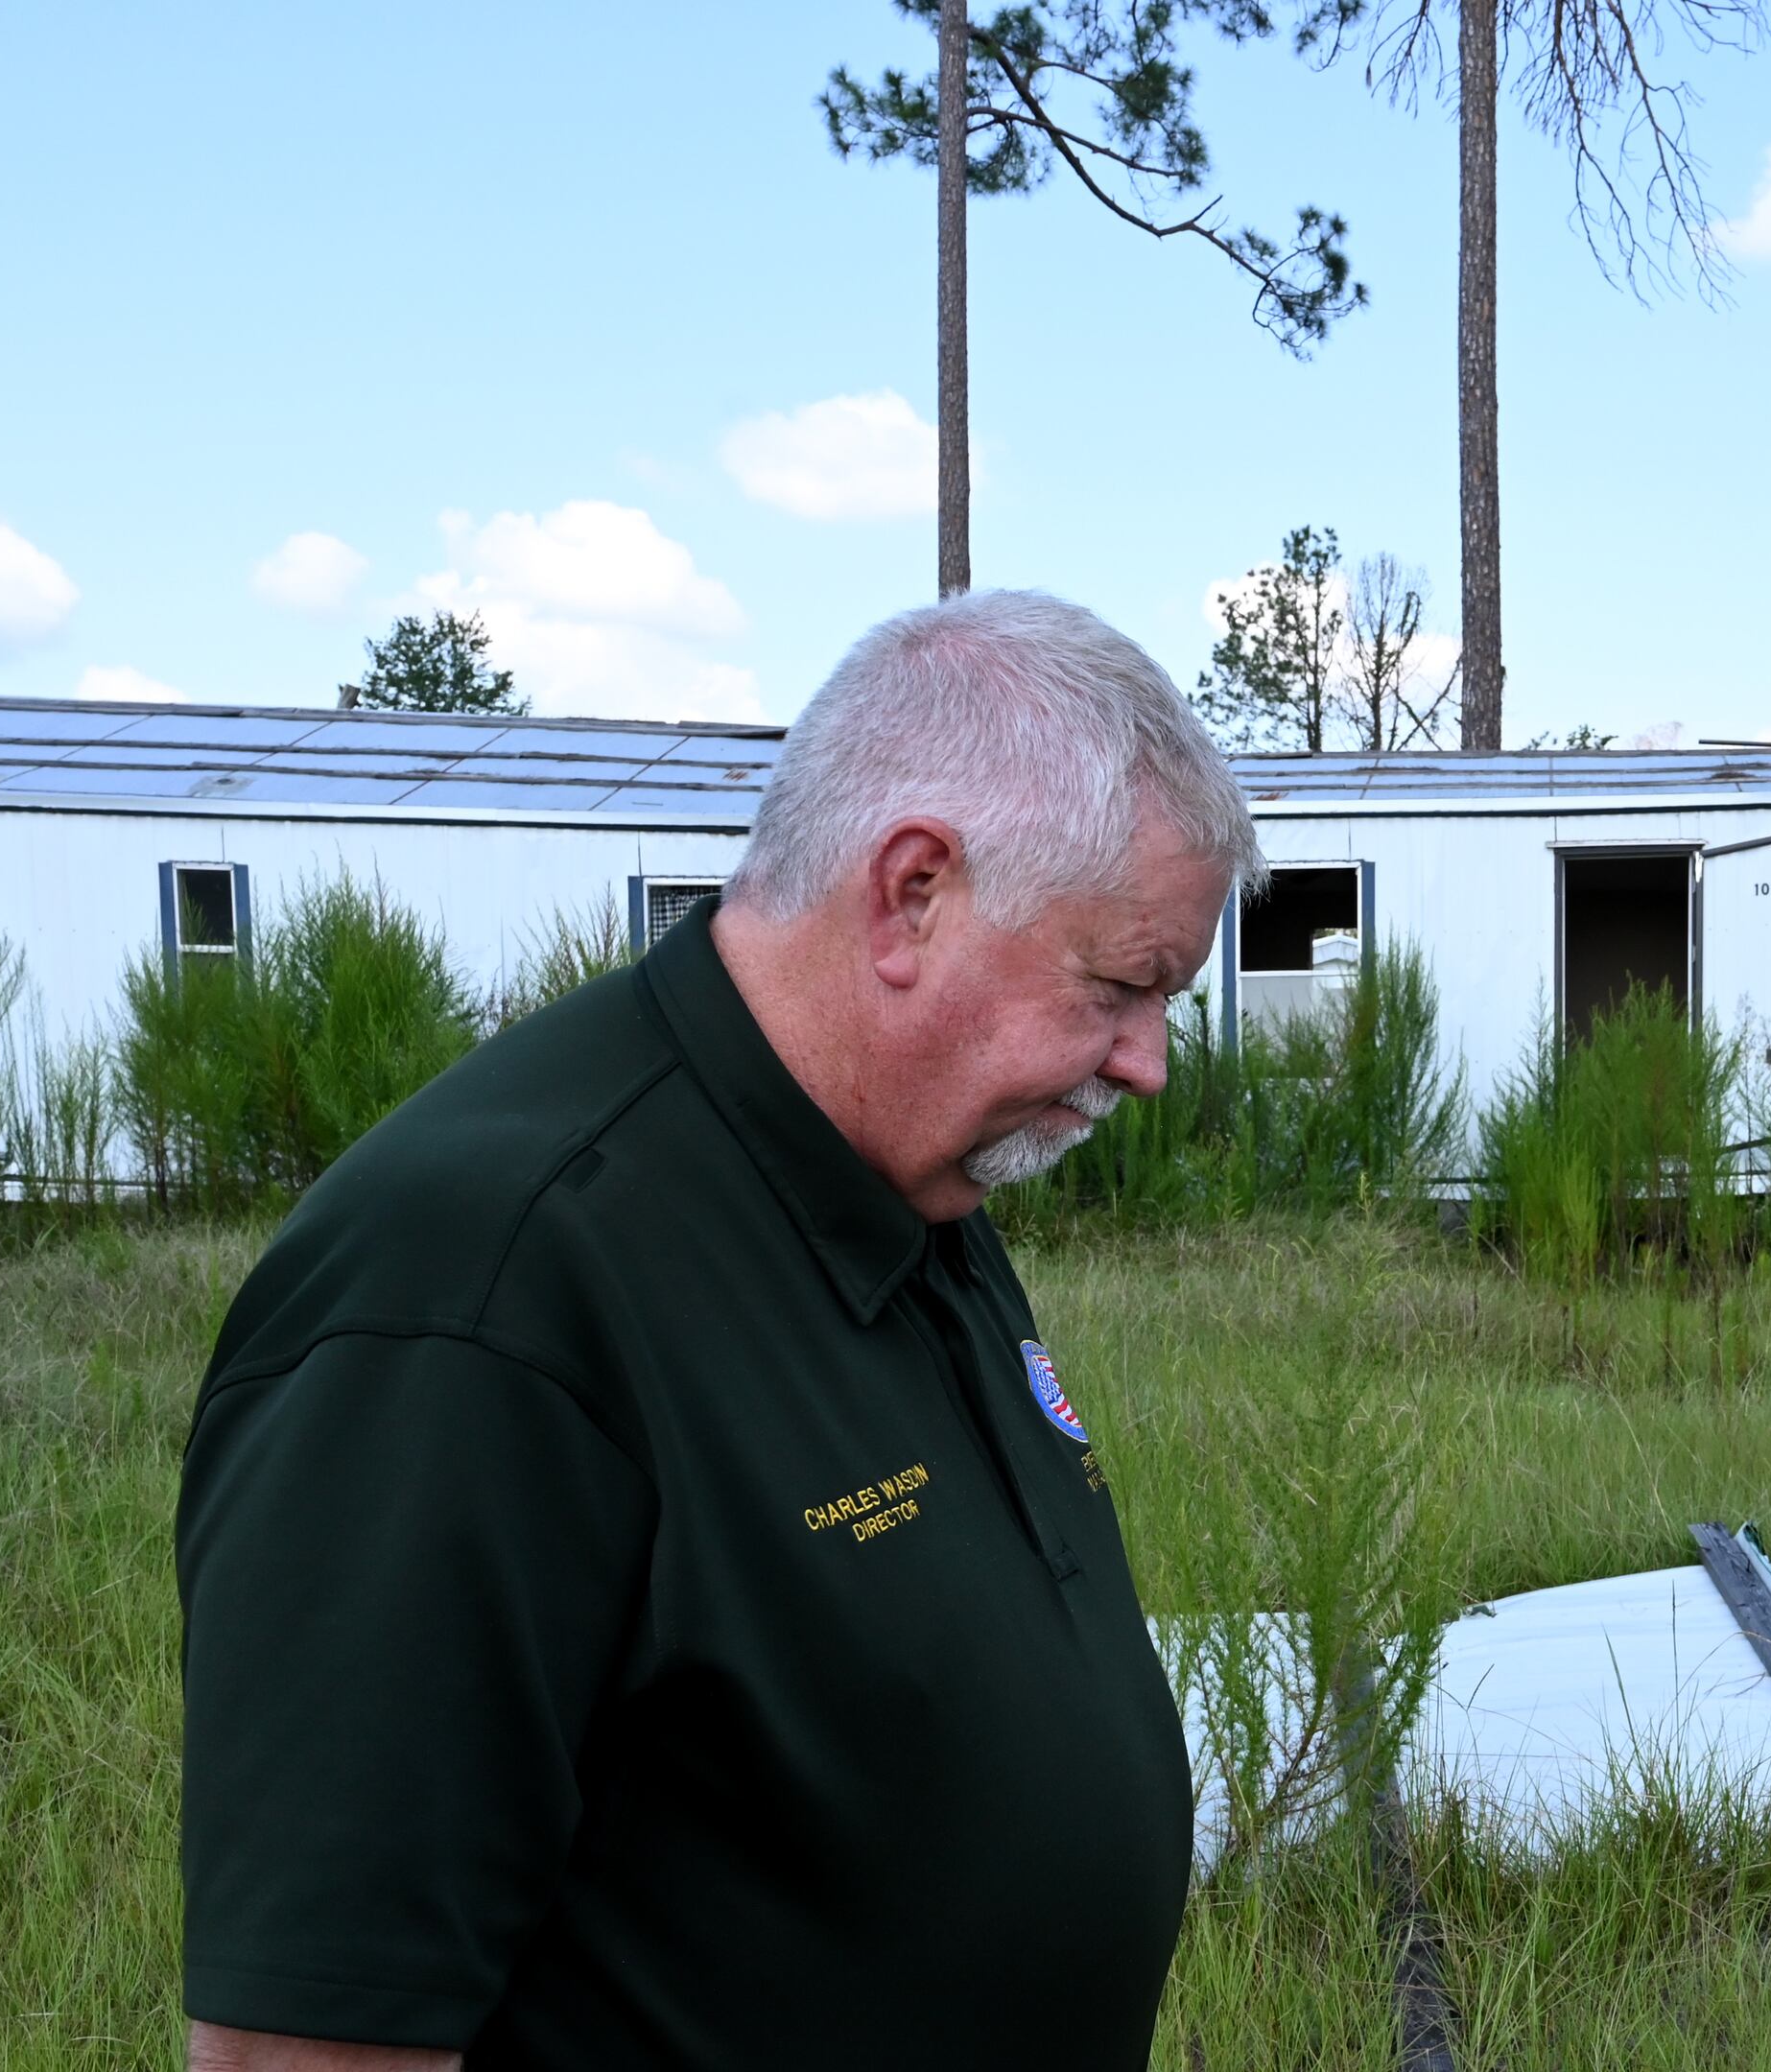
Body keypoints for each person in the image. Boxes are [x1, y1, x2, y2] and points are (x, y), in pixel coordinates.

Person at [176, 591, 1262, 2069]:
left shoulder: (912, 1183)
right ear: (913, 893)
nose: (1145, 1064)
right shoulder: (476, 1296)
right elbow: (309, 2048)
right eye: (1122, 985)